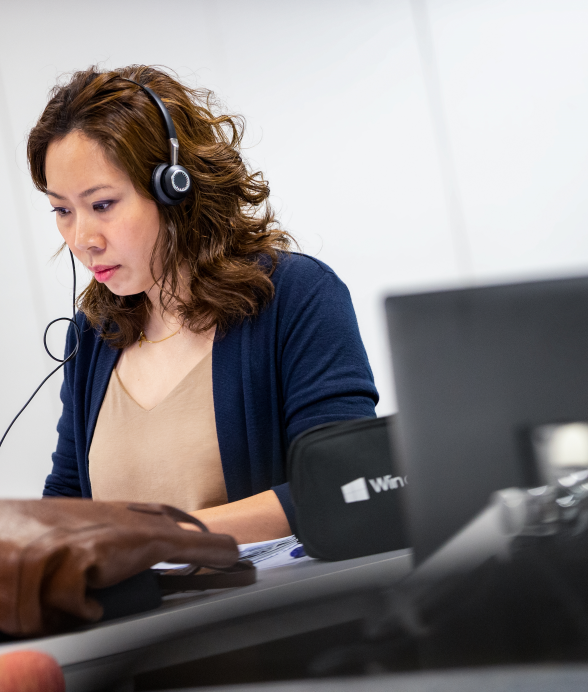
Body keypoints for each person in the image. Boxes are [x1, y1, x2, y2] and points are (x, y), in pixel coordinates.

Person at [26, 65, 378, 544]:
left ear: (176, 188)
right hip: (143, 620)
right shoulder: (93, 332)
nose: (81, 239)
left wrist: (157, 536)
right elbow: (68, 499)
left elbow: (344, 485)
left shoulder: (296, 296)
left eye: (102, 204)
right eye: (63, 211)